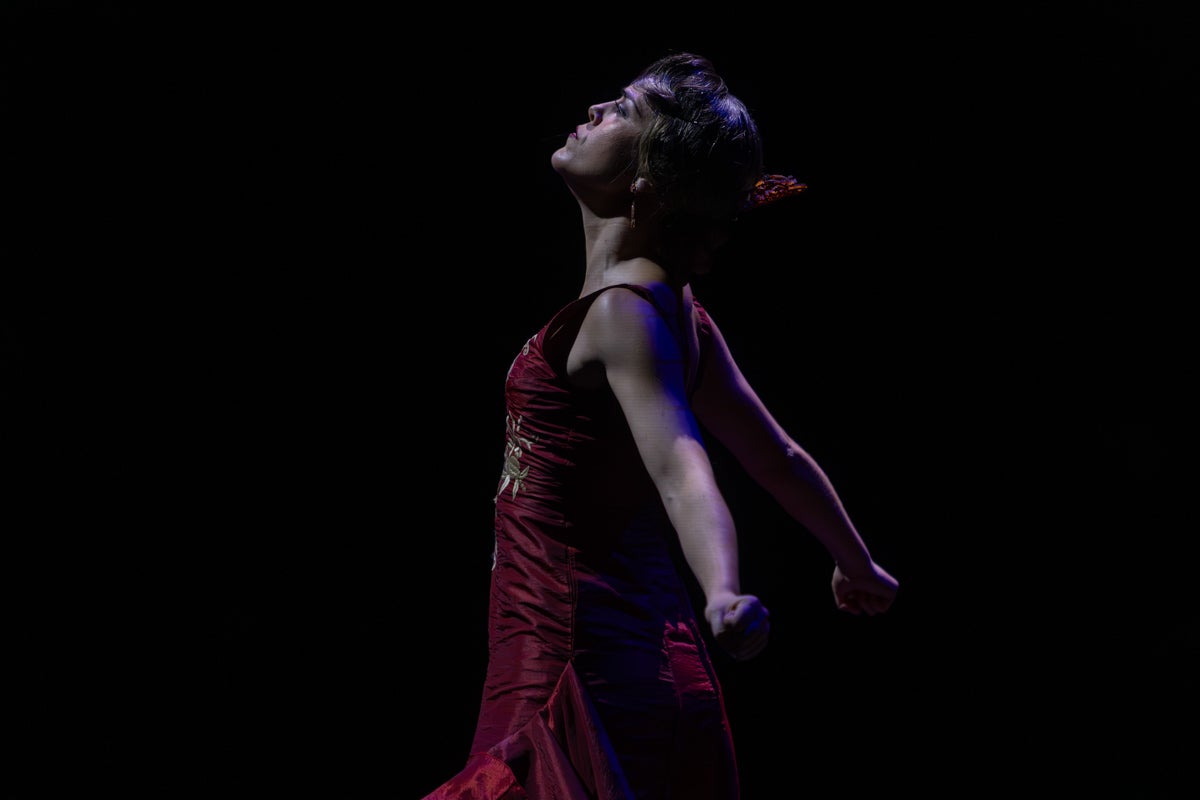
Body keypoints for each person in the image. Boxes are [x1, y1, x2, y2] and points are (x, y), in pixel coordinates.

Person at [423, 52, 898, 800]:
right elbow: (775, 456)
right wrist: (855, 563)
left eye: (622, 111)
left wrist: (722, 591)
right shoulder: (676, 314)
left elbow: (683, 465)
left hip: (572, 666)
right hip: (651, 666)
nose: (593, 111)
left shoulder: (623, 315)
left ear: (646, 183)